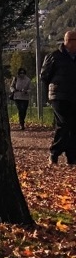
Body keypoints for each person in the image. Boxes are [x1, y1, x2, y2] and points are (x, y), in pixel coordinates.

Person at [40, 30, 76, 165]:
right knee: (65, 124)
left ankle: (71, 156)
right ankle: (54, 152)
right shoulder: (54, 56)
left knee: (73, 127)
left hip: (74, 96)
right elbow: (44, 76)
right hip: (59, 96)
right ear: (69, 41)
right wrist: (51, 91)